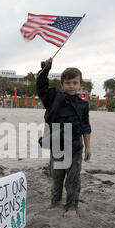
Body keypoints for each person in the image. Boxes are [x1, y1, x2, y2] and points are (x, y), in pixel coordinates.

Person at [37, 58, 92, 217]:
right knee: (56, 176)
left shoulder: (83, 105)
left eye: (75, 83)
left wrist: (88, 147)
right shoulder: (54, 97)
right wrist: (45, 70)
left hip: (74, 147)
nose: (71, 86)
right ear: (62, 84)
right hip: (56, 145)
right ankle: (56, 201)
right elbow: (41, 87)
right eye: (68, 83)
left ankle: (72, 206)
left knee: (73, 179)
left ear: (80, 84)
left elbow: (86, 127)